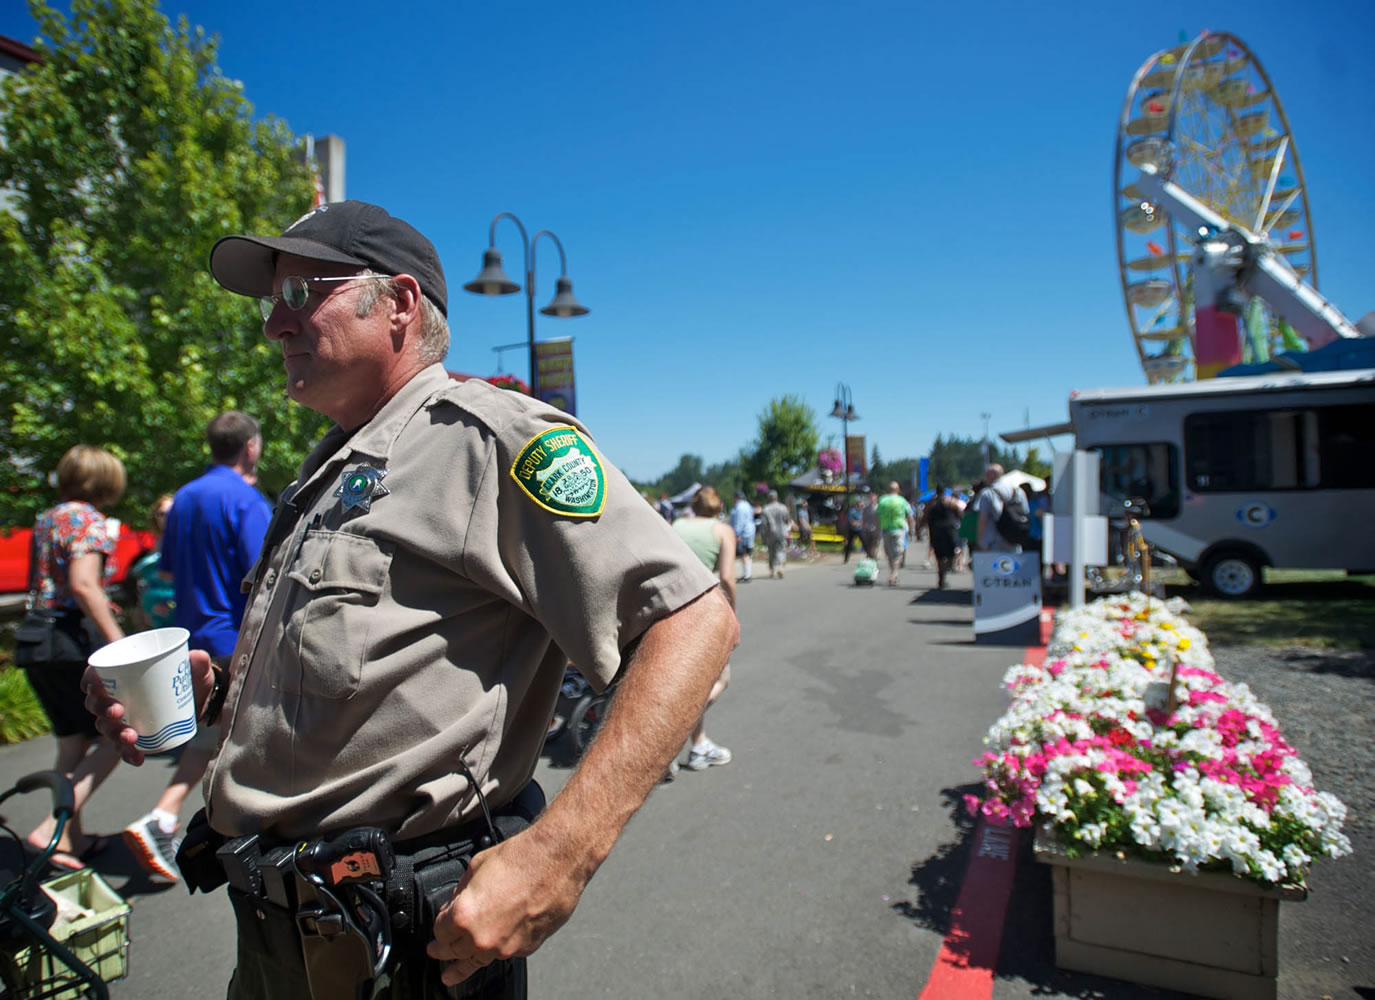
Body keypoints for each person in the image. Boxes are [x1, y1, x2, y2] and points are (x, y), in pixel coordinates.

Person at [85, 200, 738, 998]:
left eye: (301, 295)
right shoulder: (330, 470)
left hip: (406, 952)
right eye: (270, 303)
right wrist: (215, 692)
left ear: (396, 303)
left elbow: (693, 619)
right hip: (278, 938)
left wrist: (561, 853)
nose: (273, 328)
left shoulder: (490, 436)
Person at [121, 411, 272, 882]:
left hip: (188, 637)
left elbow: (165, 570)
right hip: (233, 637)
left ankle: (184, 822)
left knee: (214, 738)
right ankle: (165, 819)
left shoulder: (184, 498)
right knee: (220, 740)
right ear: (250, 447)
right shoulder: (245, 500)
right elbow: (266, 573)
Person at [21, 445, 126, 871]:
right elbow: (84, 585)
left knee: (72, 744)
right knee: (118, 733)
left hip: (34, 640)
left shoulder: (47, 518)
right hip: (67, 639)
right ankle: (51, 828)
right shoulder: (88, 520)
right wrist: (118, 642)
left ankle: (73, 840)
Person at [670, 487, 737, 770]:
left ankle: (699, 745)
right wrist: (732, 616)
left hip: (670, 606)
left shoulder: (676, 525)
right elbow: (727, 577)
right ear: (717, 506)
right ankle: (671, 734)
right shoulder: (722, 530)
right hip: (703, 609)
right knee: (720, 677)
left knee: (688, 680)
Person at [129, 494, 176, 631]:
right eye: (161, 514)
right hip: (157, 625)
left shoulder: (192, 548)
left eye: (171, 513)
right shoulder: (149, 555)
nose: (166, 518)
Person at [975, 464, 1029, 553]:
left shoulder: (987, 493)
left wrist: (980, 541)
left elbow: (983, 519)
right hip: (1015, 539)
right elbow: (1025, 512)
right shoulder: (1018, 491)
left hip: (993, 542)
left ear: (990, 475)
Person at [922, 486, 963, 589]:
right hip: (949, 529)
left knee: (939, 555)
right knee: (951, 553)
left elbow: (925, 516)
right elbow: (960, 512)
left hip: (935, 530)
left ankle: (941, 577)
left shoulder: (931, 503)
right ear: (944, 492)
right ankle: (945, 571)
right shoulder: (950, 501)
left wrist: (920, 526)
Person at [876, 481, 911, 587]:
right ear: (898, 490)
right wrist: (912, 528)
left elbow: (878, 515)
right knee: (897, 553)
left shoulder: (882, 500)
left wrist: (878, 529)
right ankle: (894, 573)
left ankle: (893, 573)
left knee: (889, 553)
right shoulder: (902, 501)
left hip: (886, 528)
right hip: (899, 528)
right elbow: (909, 515)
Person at [760, 489, 792, 579]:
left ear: (769, 498)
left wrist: (763, 535)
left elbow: (764, 524)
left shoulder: (766, 509)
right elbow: (787, 520)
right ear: (776, 497)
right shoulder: (783, 507)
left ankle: (773, 568)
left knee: (771, 551)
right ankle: (780, 566)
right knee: (781, 549)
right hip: (781, 532)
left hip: (770, 533)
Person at [730, 489, 756, 582]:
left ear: (736, 498)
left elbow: (739, 522)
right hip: (750, 531)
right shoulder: (747, 505)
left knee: (744, 553)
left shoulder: (739, 507)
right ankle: (747, 574)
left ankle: (747, 575)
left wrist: (737, 534)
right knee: (747, 553)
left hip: (744, 533)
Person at [842, 494, 863, 563]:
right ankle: (846, 559)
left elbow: (864, 520)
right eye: (861, 505)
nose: (862, 506)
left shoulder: (861, 511)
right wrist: (859, 523)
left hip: (860, 530)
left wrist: (860, 523)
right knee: (849, 545)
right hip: (852, 530)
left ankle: (870, 557)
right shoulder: (852, 511)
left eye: (862, 505)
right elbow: (851, 521)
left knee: (865, 543)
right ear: (857, 504)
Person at [860, 488, 880, 560]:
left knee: (875, 544)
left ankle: (874, 555)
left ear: (876, 499)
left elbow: (879, 519)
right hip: (867, 529)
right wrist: (863, 527)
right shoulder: (866, 509)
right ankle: (870, 556)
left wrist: (878, 529)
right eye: (870, 498)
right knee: (868, 545)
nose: (871, 500)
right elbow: (863, 519)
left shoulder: (879, 508)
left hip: (876, 529)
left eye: (873, 498)